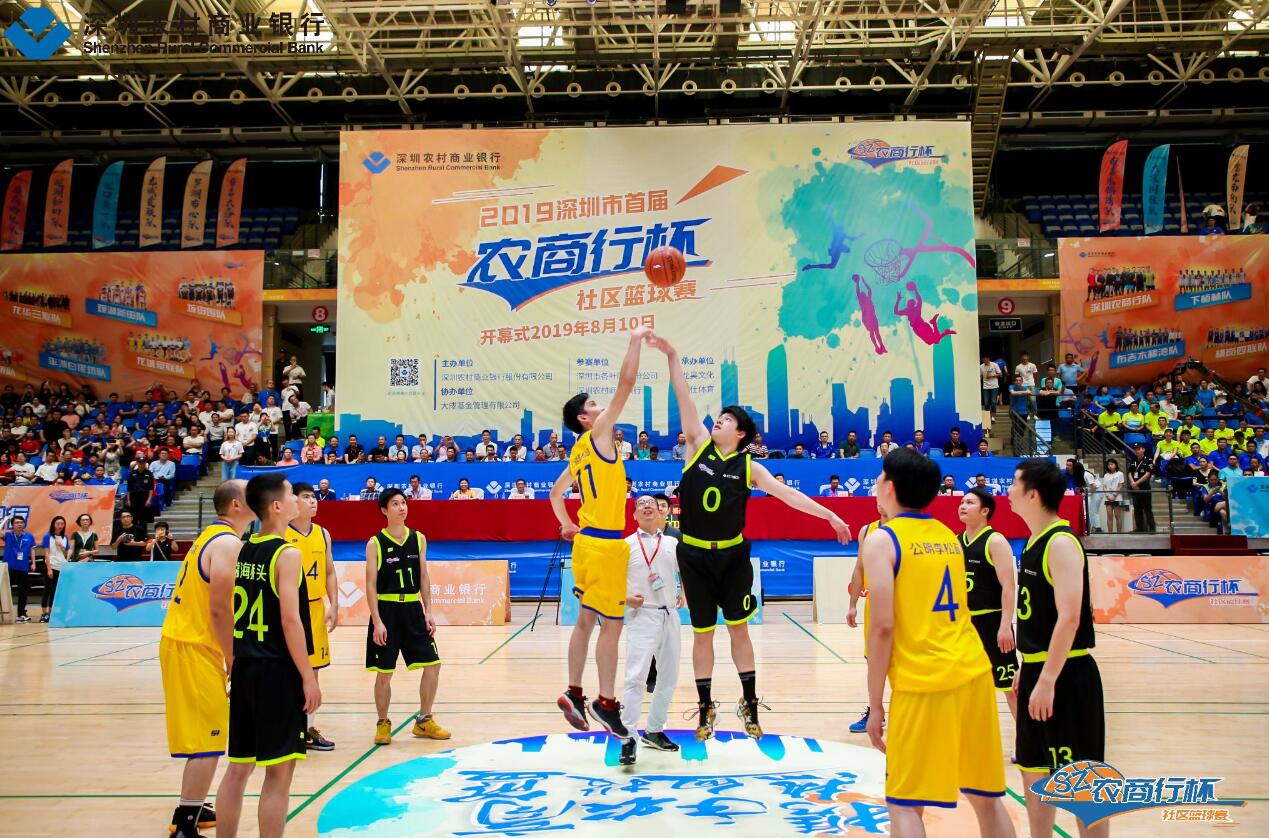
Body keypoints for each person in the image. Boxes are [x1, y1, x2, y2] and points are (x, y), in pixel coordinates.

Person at [650, 333, 851, 740]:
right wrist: (672, 354)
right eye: (719, 418)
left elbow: (790, 496)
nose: (718, 421)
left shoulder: (750, 468)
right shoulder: (697, 446)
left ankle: (750, 703)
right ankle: (705, 708)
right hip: (693, 556)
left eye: (727, 420)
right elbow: (684, 396)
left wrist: (830, 515)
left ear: (741, 433)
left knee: (739, 630)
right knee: (702, 634)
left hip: (732, 558)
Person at [859, 449, 1013, 835]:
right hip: (973, 672)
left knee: (905, 803)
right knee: (987, 798)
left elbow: (882, 627)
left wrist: (875, 703)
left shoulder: (882, 540)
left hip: (924, 681)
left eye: (880, 477)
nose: (876, 483)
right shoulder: (948, 536)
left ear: (890, 487)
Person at [548, 327, 653, 741]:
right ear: (584, 419)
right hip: (606, 545)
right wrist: (635, 339)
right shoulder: (599, 434)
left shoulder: (577, 452)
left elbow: (555, 493)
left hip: (585, 544)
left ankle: (574, 692)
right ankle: (605, 702)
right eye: (593, 405)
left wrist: (567, 524)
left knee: (585, 621)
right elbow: (626, 384)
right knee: (612, 626)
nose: (601, 407)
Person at [213, 474, 319, 838]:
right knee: (279, 774)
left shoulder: (244, 548)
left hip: (245, 667)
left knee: (237, 768)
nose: (297, 499)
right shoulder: (287, 553)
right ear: (276, 506)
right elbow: (290, 620)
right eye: (291, 494)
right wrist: (308, 676)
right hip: (276, 671)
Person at [1007, 459, 1106, 838]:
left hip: (1067, 676)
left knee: (1084, 782)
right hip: (1038, 669)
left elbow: (1070, 618)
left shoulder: (1061, 543)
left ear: (1033, 494)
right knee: (1033, 771)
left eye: (1014, 483)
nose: (1009, 490)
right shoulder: (1034, 541)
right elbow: (1039, 616)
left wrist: (1047, 678)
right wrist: (1029, 665)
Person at [159, 480, 255, 838]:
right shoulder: (228, 543)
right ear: (235, 505)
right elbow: (219, 609)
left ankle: (192, 808)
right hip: (193, 646)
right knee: (208, 742)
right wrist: (234, 659)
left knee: (208, 738)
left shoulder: (213, 536)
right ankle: (185, 824)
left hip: (189, 642)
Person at [366, 488, 449, 746]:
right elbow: (370, 585)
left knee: (433, 665)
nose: (402, 507)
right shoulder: (375, 543)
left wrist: (428, 610)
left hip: (413, 610)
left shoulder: (418, 539)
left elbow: (423, 576)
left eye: (403, 502)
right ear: (384, 510)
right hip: (387, 611)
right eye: (395, 504)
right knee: (384, 673)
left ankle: (424, 720)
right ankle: (383, 722)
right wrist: (377, 621)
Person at [617, 495, 683, 766]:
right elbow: (611, 582)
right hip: (642, 615)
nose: (646, 507)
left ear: (661, 513)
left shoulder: (672, 543)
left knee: (669, 677)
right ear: (634, 515)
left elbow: (685, 570)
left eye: (652, 505)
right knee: (635, 677)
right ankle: (628, 738)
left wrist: (685, 591)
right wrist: (625, 598)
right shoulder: (626, 546)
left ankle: (654, 730)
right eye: (641, 505)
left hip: (670, 614)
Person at [958, 489, 1019, 725]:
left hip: (992, 622)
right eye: (962, 502)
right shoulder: (956, 541)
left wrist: (1005, 626)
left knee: (1009, 687)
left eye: (969, 502)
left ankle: (1027, 739)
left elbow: (1008, 586)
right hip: (965, 625)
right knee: (964, 686)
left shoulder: (995, 541)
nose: (963, 506)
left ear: (985, 511)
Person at [285, 482, 338, 752]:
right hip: (289, 609)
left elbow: (329, 571)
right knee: (288, 671)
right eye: (306, 497)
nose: (313, 501)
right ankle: (286, 727)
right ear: (293, 501)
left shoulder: (322, 533)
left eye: (314, 497)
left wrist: (334, 604)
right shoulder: (281, 533)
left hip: (315, 608)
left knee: (313, 672)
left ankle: (307, 728)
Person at [846, 508, 890, 734]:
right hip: (875, 603)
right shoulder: (867, 530)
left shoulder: (909, 528)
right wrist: (853, 604)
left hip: (906, 602)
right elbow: (859, 568)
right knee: (873, 660)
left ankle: (913, 712)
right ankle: (876, 712)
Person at [3, 516, 37, 622]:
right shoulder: (8, 535)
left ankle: (21, 614)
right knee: (5, 591)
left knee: (23, 591)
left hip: (23, 567)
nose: (20, 524)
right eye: (17, 522)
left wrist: (33, 563)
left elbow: (32, 549)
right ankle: (5, 614)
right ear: (12, 525)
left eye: (21, 522)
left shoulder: (29, 536)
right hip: (9, 567)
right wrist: (4, 521)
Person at [39, 515, 70, 621]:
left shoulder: (65, 537)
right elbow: (46, 553)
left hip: (61, 567)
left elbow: (66, 553)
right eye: (58, 523)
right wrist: (49, 569)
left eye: (62, 524)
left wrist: (62, 546)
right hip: (51, 566)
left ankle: (51, 612)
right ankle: (44, 613)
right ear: (53, 524)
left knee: (55, 591)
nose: (60, 526)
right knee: (47, 590)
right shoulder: (48, 536)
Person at [1127, 444, 1157, 532]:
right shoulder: (1133, 460)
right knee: (1137, 508)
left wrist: (1136, 483)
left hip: (1144, 487)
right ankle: (1139, 528)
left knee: (1147, 508)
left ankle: (1152, 528)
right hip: (1134, 487)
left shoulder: (1148, 460)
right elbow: (1130, 473)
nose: (1137, 451)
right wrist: (1133, 483)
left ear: (1143, 449)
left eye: (1138, 449)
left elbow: (1147, 474)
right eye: (1135, 449)